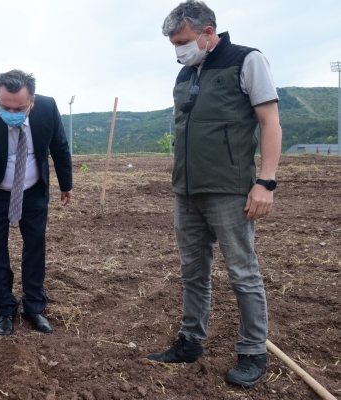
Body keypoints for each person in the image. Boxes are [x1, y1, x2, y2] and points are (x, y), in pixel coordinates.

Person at [145, 0, 282, 389]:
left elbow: (270, 123)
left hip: (230, 191)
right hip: (186, 192)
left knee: (242, 272)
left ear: (208, 32)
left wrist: (265, 182)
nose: (179, 50)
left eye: (184, 41)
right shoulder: (187, 72)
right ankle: (190, 342)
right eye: (173, 44)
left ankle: (253, 351)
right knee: (193, 272)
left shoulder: (247, 61)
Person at [0, 69, 73, 336]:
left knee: (35, 247)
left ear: (32, 101)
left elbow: (59, 146)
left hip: (32, 191)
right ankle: (4, 310)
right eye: (4, 106)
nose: (11, 112)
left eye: (18, 108)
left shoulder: (48, 109)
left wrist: (66, 184)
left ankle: (34, 307)